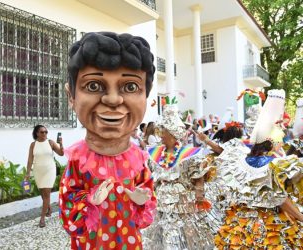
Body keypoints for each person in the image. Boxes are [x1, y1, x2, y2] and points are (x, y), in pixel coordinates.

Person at [59, 32, 157, 250]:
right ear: (71, 97)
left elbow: (147, 204)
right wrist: (88, 200)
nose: (113, 99)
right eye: (93, 86)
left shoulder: (138, 160)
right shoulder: (78, 160)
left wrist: (142, 200)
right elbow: (67, 207)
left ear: (145, 97)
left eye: (130, 87)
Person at [214, 89, 303, 248]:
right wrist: (300, 217)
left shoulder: (240, 159)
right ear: (272, 141)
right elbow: (281, 200)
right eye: (280, 136)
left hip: (240, 225)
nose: (282, 139)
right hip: (268, 228)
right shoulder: (273, 165)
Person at [143, 104, 217, 250]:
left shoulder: (189, 154)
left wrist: (199, 193)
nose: (161, 135)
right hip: (162, 206)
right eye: (160, 131)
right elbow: (151, 179)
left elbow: (198, 177)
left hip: (184, 206)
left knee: (184, 239)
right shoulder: (155, 154)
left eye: (163, 132)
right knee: (162, 239)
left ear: (172, 134)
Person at [25, 125, 64, 228]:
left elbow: (61, 153)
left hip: (50, 170)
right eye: (42, 132)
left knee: (46, 194)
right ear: (37, 133)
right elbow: (30, 160)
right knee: (43, 194)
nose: (45, 134)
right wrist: (28, 173)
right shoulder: (33, 145)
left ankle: (42, 218)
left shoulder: (50, 142)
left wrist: (61, 144)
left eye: (46, 132)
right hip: (38, 171)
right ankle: (49, 208)